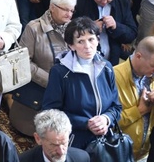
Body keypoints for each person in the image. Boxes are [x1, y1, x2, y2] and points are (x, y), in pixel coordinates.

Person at [42, 17, 122, 149]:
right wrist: (86, 123)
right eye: (80, 41)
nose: (87, 46)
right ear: (71, 46)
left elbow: (116, 107)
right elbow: (50, 112)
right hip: (75, 142)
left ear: (97, 39)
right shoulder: (60, 72)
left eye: (91, 39)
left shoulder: (107, 67)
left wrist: (106, 119)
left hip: (105, 141)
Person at [11, 0, 76, 137]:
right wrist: (50, 81)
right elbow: (23, 62)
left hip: (65, 94)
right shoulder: (33, 28)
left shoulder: (74, 30)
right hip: (38, 93)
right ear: (52, 7)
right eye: (65, 9)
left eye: (72, 10)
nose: (69, 14)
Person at [114, 36, 154, 160]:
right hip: (116, 153)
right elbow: (107, 123)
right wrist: (139, 111)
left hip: (145, 155)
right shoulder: (113, 76)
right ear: (138, 56)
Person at [73, 0, 138, 67]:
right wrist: (89, 29)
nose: (104, 2)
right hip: (85, 59)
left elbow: (132, 34)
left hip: (112, 59)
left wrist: (117, 26)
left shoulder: (122, 0)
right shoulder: (79, 0)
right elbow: (68, 32)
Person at [19, 109, 90, 162]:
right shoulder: (22, 160)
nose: (61, 152)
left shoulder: (82, 158)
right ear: (38, 139)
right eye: (54, 145)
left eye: (64, 143)